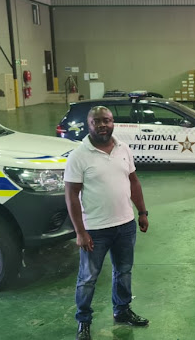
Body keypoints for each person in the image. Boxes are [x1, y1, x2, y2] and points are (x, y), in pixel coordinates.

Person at [64, 106, 150, 340]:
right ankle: (84, 321)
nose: (102, 125)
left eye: (107, 120)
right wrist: (80, 231)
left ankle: (121, 311)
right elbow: (71, 195)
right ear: (88, 124)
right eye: (97, 121)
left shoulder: (123, 149)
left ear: (113, 122)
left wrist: (142, 212)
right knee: (88, 278)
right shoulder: (79, 155)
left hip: (125, 225)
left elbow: (133, 182)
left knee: (123, 272)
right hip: (95, 229)